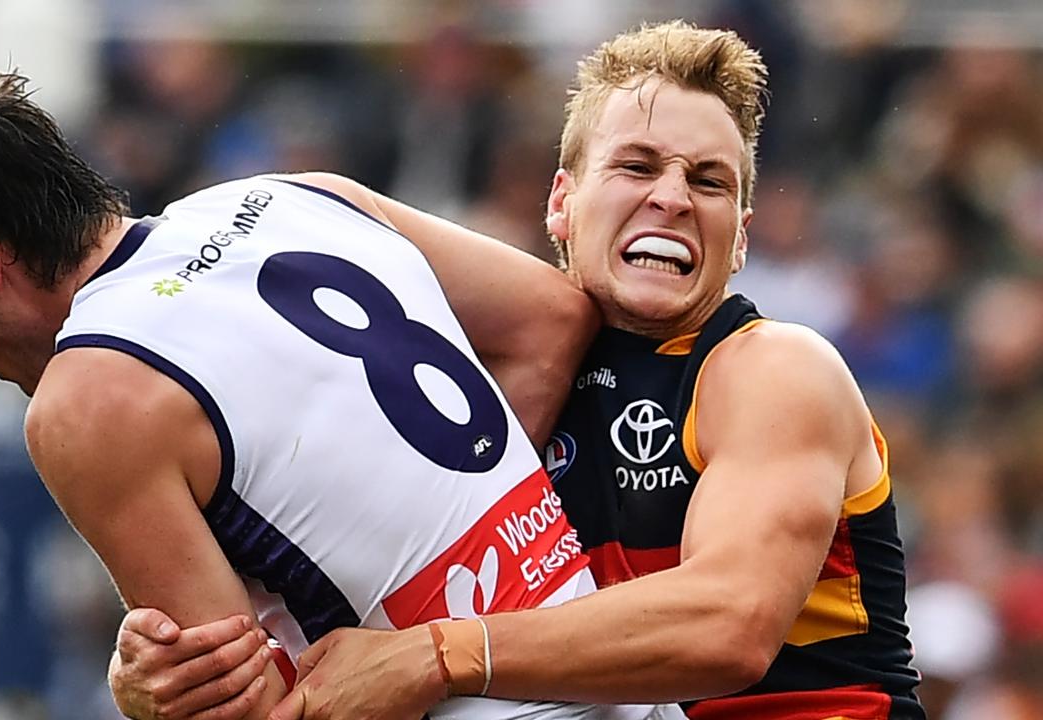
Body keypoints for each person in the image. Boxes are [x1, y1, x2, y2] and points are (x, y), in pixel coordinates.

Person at [108, 20, 925, 720]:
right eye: (638, 167)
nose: (674, 197)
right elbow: (324, 608)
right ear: (561, 202)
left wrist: (434, 654)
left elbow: (729, 625)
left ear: (739, 238)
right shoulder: (487, 386)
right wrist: (167, 672)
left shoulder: (775, 370)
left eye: (709, 181)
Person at [0, 38, 617, 720]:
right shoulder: (297, 196)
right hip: (608, 672)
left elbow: (244, 707)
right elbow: (553, 322)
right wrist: (464, 534)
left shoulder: (87, 398)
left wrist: (152, 699)